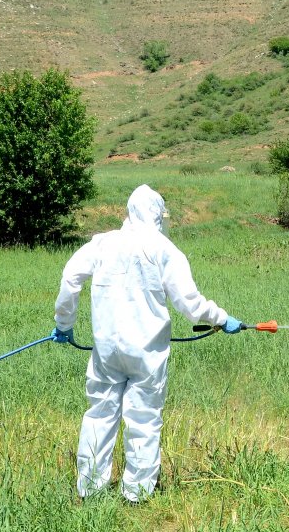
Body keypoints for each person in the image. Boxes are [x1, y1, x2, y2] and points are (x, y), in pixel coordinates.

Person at [52, 184, 241, 503]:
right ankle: (137, 494)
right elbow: (190, 303)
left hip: (107, 352)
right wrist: (222, 319)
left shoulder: (102, 243)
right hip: (147, 353)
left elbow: (71, 279)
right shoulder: (164, 249)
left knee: (100, 414)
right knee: (143, 419)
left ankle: (91, 489)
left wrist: (64, 325)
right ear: (156, 214)